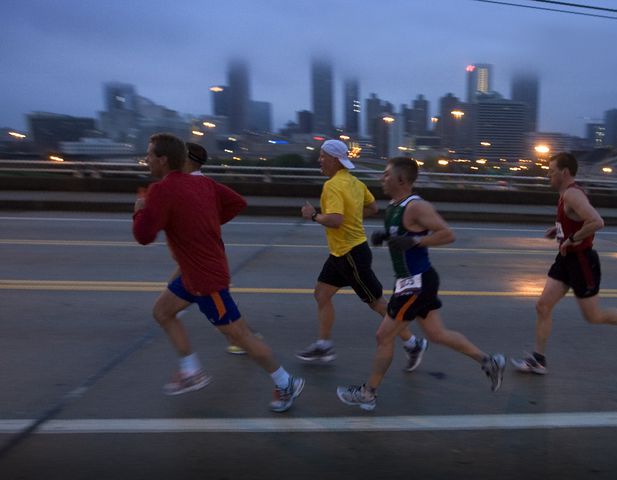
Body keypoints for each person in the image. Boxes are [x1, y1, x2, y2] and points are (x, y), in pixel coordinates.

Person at [133, 132, 304, 413]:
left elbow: (144, 236)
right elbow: (237, 202)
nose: (146, 160)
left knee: (240, 336)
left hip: (205, 279)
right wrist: (207, 222)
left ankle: (286, 382)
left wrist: (139, 210)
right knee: (162, 312)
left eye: (150, 155)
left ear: (163, 160)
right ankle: (191, 371)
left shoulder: (161, 191)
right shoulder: (206, 185)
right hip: (193, 273)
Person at [336, 156, 505, 411]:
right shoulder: (394, 205)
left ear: (401, 179)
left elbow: (448, 234)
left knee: (383, 336)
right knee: (437, 334)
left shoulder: (416, 206)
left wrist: (415, 242)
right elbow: (404, 234)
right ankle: (489, 361)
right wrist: (388, 235)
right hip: (412, 281)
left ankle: (368, 393)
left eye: (386, 175)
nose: (382, 179)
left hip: (416, 283)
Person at [511, 151, 617, 375]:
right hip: (565, 259)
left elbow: (597, 222)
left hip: (581, 260)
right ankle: (538, 360)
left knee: (593, 316)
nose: (548, 175)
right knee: (542, 306)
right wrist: (560, 230)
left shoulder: (572, 194)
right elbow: (576, 220)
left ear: (565, 172)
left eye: (551, 172)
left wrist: (571, 238)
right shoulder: (565, 195)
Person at [299, 140, 428, 372]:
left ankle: (413, 343)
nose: (319, 160)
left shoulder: (333, 186)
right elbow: (373, 208)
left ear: (335, 160)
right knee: (321, 294)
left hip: (351, 255)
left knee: (377, 303)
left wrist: (313, 215)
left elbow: (335, 220)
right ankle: (324, 344)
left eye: (322, 156)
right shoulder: (355, 183)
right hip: (341, 253)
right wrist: (352, 218)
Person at [181, 142, 262, 356]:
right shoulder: (205, 183)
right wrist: (215, 222)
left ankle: (244, 340)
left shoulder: (192, 185)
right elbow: (238, 202)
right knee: (206, 298)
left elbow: (237, 203)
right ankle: (242, 334)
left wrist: (211, 223)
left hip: (203, 255)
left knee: (215, 300)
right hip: (194, 252)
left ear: (188, 160)